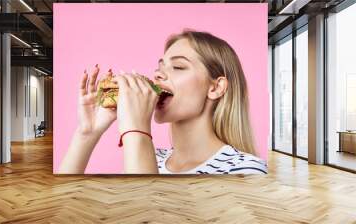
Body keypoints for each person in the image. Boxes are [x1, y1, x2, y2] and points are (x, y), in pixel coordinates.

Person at [59, 30, 267, 174]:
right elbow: (62, 208)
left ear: (215, 87)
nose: (158, 74)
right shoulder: (152, 157)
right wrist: (87, 134)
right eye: (160, 66)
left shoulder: (245, 169)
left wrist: (136, 130)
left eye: (177, 67)